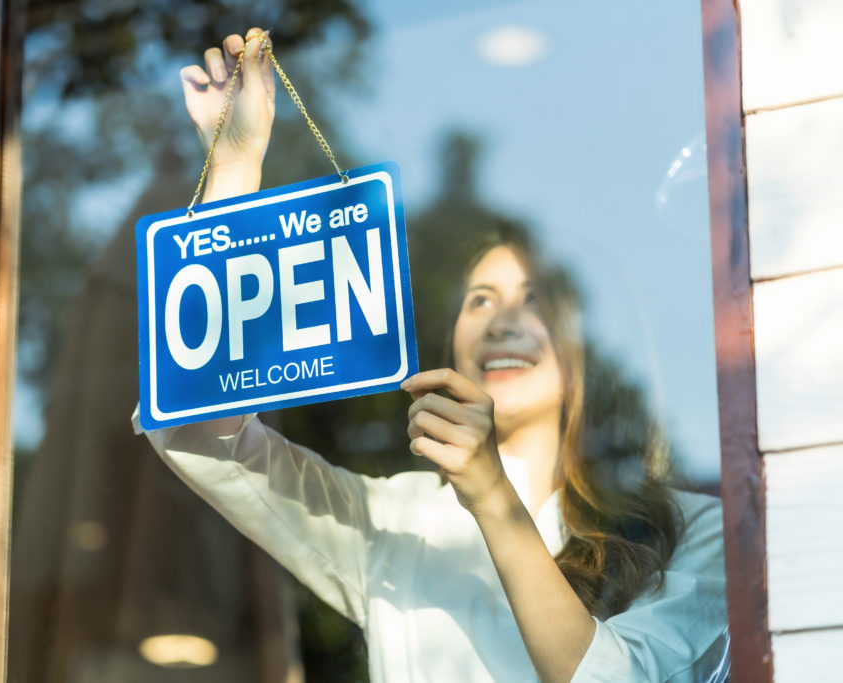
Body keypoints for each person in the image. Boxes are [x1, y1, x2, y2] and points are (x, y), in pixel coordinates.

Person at [134, 28, 729, 682]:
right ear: (454, 351)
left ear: (585, 346)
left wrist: (493, 496)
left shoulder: (697, 530)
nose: (502, 319)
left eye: (532, 299)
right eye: (479, 299)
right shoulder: (396, 519)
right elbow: (199, 426)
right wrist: (234, 166)